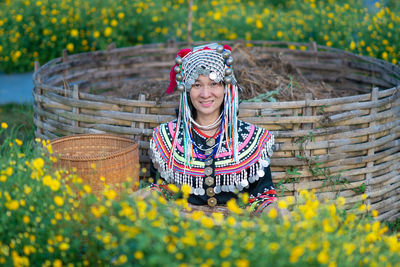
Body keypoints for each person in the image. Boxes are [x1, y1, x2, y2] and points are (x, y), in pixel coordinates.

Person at [148, 43, 277, 214]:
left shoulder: (253, 139)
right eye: (197, 85)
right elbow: (161, 189)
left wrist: (274, 211)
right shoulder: (165, 139)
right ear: (187, 90)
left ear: (226, 88)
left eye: (214, 84)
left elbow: (262, 196)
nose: (205, 94)